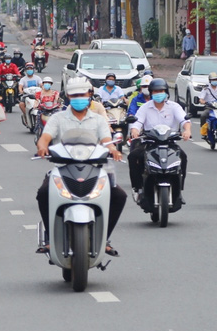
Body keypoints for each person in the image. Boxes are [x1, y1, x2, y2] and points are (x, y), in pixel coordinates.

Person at [36, 78, 126, 255]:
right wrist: (42, 147)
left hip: (95, 168)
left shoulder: (99, 120)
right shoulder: (57, 118)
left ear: (90, 95)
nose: (78, 98)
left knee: (119, 196)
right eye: (74, 95)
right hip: (62, 168)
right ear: (68, 96)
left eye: (82, 95)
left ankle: (104, 238)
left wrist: (113, 150)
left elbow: (107, 141)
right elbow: (45, 137)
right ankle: (49, 238)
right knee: (43, 194)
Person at [128, 78, 192, 202]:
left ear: (167, 92)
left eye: (161, 91)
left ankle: (178, 191)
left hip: (170, 143)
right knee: (133, 157)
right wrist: (134, 130)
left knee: (182, 158)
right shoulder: (145, 107)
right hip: (149, 143)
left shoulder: (174, 106)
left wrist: (187, 130)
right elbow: (137, 122)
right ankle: (138, 188)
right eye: (155, 91)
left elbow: (184, 120)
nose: (158, 94)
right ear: (151, 93)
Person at [198, 71, 217, 141]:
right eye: (213, 80)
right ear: (210, 80)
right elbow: (201, 99)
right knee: (203, 115)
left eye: (216, 79)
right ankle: (204, 132)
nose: (215, 81)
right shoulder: (206, 89)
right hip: (210, 108)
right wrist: (204, 102)